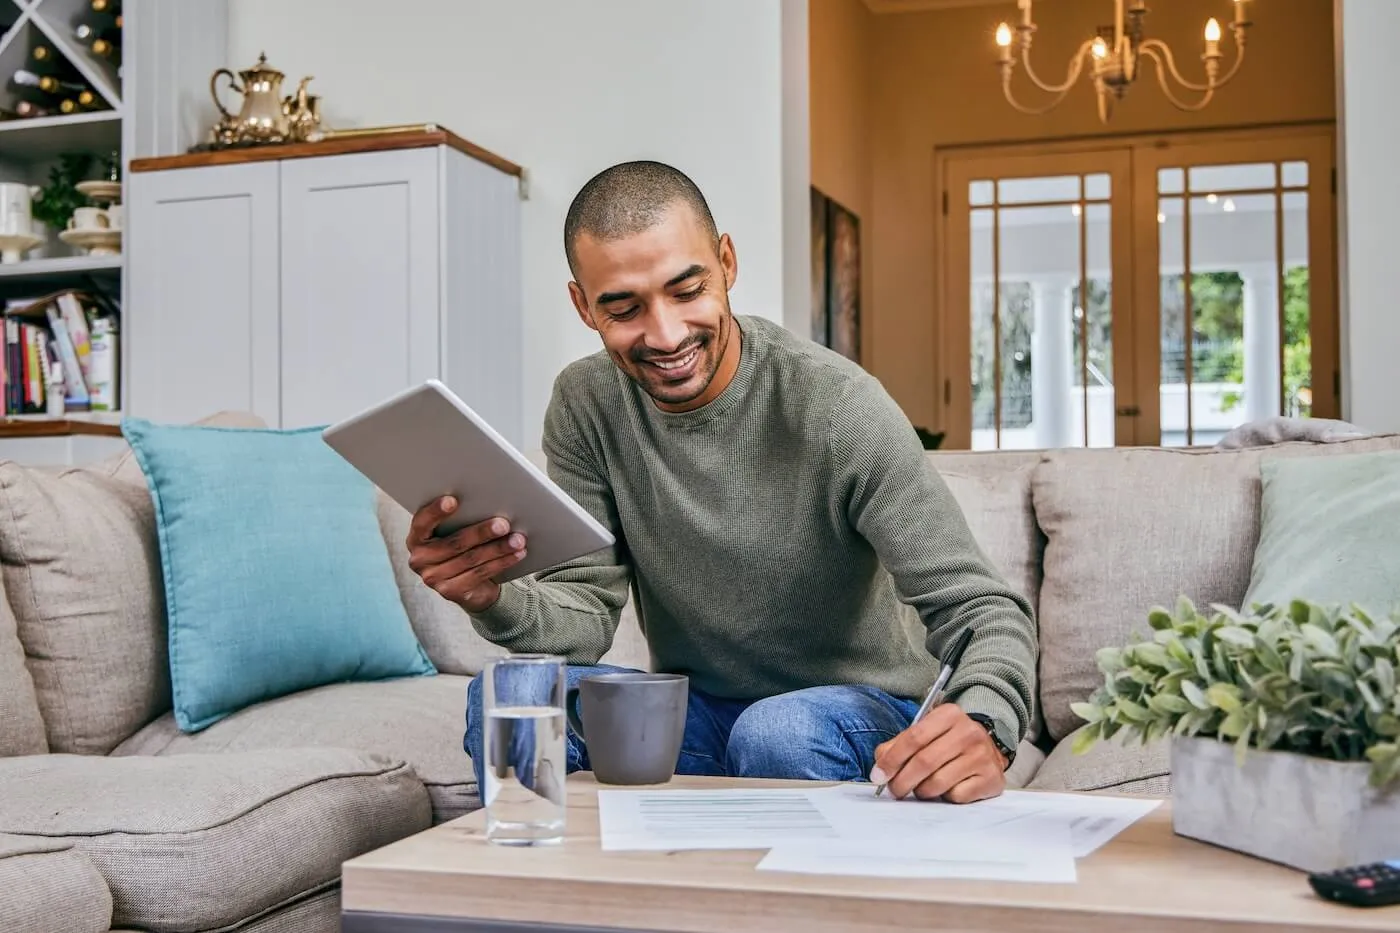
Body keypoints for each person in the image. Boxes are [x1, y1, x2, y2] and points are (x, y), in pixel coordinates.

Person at [406, 160, 1037, 803]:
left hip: (859, 718)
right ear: (583, 306)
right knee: (507, 697)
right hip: (702, 719)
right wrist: (492, 597)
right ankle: (542, 894)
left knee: (777, 733)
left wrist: (987, 723)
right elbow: (586, 617)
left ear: (727, 263)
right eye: (623, 308)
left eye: (687, 291)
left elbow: (982, 610)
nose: (666, 333)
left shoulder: (838, 406)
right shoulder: (585, 403)